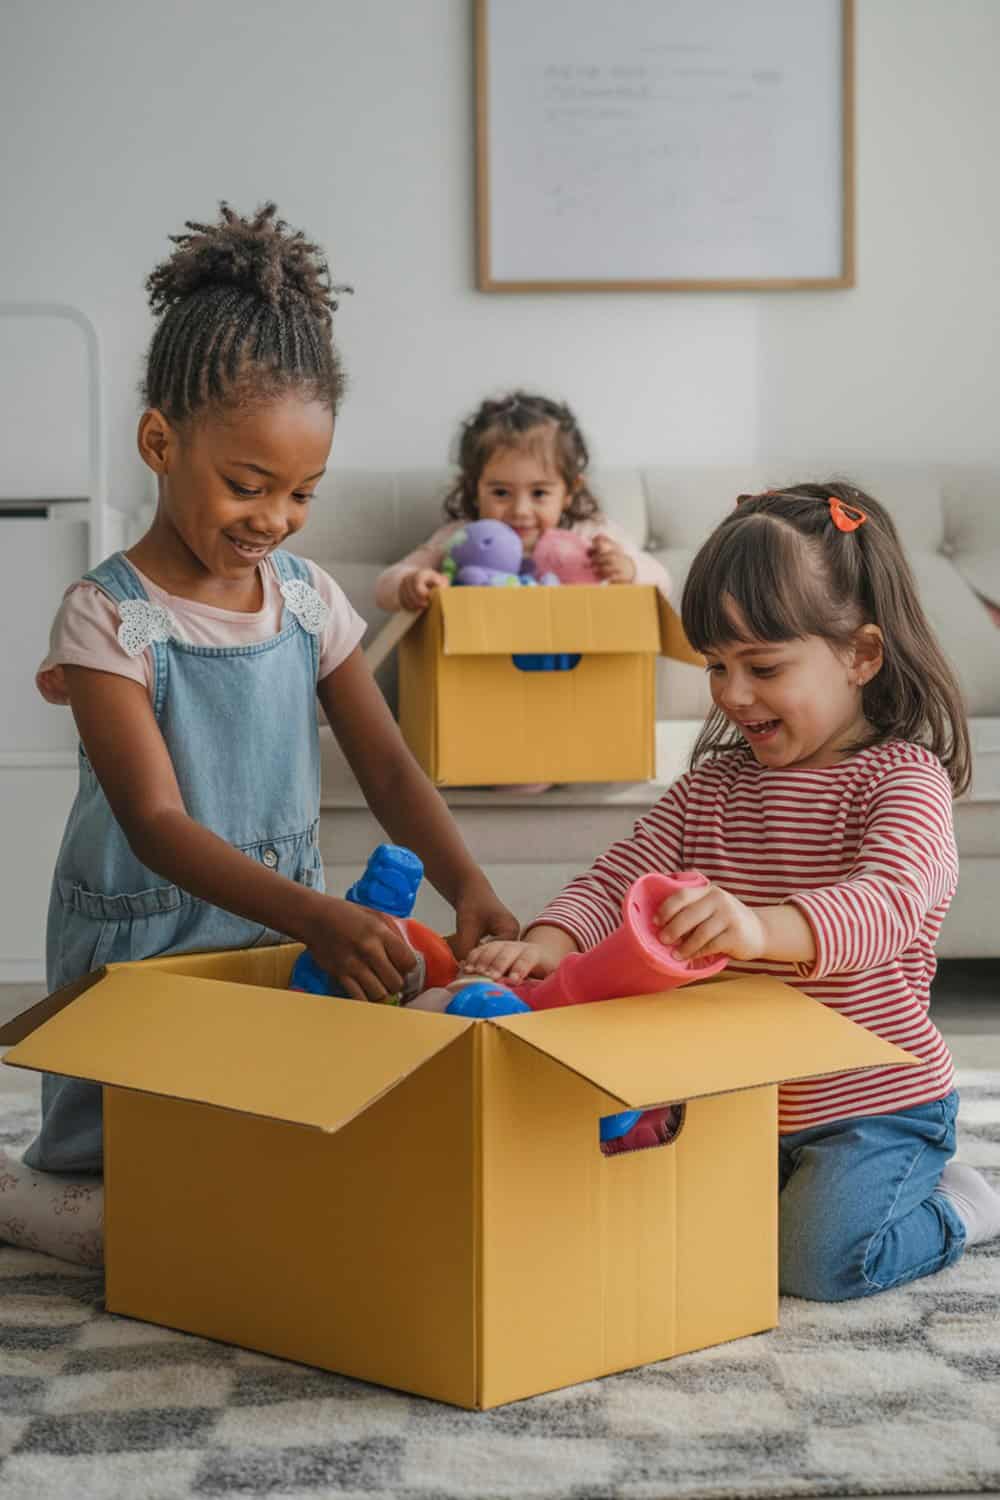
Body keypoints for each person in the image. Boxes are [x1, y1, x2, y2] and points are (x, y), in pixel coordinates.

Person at [0, 203, 517, 1263]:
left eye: (301, 494)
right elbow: (151, 821)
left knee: (292, 1162)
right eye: (247, 485)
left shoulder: (306, 597)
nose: (274, 518)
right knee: (140, 1205)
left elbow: (385, 765)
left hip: (282, 938)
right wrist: (321, 917)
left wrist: (466, 881)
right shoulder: (109, 617)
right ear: (160, 441)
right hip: (148, 947)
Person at [462, 482, 1000, 1301]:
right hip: (738, 1097)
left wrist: (764, 928)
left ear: (861, 654)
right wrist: (549, 943)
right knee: (648, 1222)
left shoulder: (901, 780)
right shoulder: (713, 789)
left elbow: (891, 902)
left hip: (873, 1108)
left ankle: (958, 1206)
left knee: (814, 1263)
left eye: (764, 666)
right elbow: (619, 877)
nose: (733, 693)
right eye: (717, 665)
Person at [374, 391, 671, 612]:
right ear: (474, 488)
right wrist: (409, 584)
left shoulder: (590, 536)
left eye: (539, 493)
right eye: (501, 492)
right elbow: (384, 587)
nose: (520, 511)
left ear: (569, 490)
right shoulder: (462, 538)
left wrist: (629, 568)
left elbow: (663, 583)